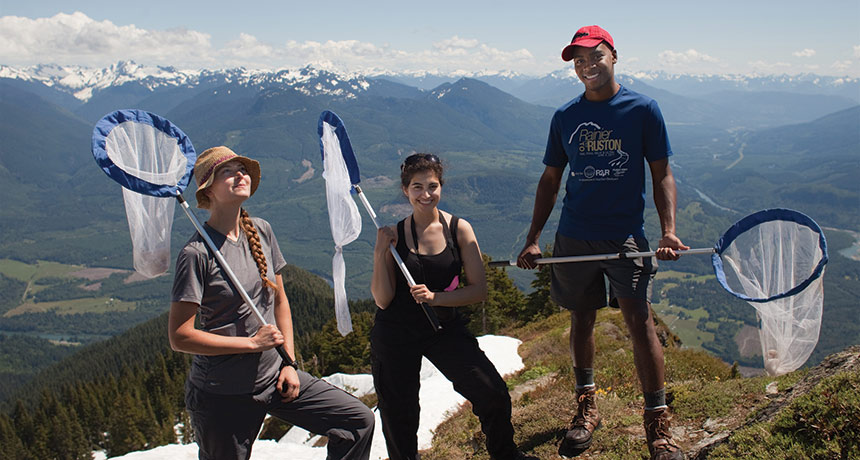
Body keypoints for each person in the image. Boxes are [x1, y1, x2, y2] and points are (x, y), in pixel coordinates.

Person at [516, 26, 687, 460]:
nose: (587, 66)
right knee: (582, 319)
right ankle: (586, 407)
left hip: (625, 235)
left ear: (614, 56)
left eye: (595, 56)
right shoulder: (565, 116)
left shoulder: (642, 109)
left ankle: (658, 424)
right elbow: (550, 180)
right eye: (579, 60)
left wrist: (668, 230)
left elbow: (662, 173)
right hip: (574, 235)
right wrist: (533, 239)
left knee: (639, 322)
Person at [168, 146, 374, 460]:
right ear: (208, 190)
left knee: (357, 422)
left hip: (274, 375)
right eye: (227, 172)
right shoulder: (196, 253)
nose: (240, 175)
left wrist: (289, 363)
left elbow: (280, 302)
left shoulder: (261, 230)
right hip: (224, 392)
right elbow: (180, 337)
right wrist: (252, 344)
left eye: (242, 169)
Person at [370, 153, 533, 460]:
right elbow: (382, 299)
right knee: (399, 414)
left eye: (432, 186)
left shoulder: (458, 229)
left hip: (442, 326)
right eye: (417, 187)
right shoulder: (394, 236)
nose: (426, 194)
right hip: (395, 332)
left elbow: (479, 290)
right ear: (405, 190)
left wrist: (436, 298)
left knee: (492, 391)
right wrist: (380, 253)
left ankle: (505, 454)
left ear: (441, 186)